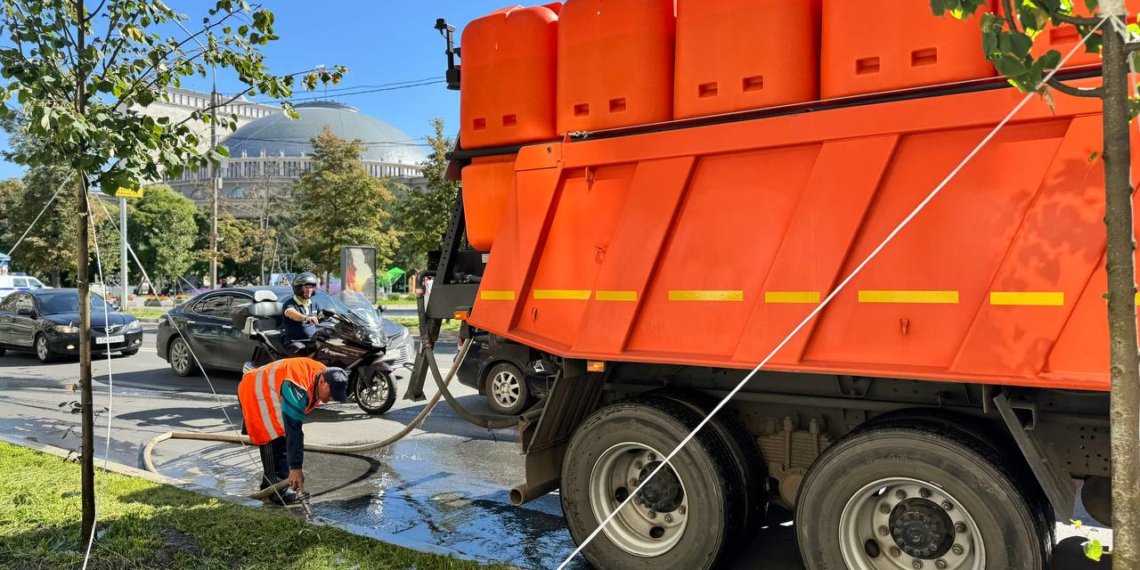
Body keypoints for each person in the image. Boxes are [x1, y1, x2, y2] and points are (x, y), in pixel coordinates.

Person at [237, 357, 349, 505]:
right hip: (256, 391)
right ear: (322, 381)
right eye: (331, 392)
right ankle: (276, 492)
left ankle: (270, 486)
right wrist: (296, 468)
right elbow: (293, 429)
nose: (332, 398)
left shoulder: (325, 374)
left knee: (282, 439)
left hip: (270, 389)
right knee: (273, 437)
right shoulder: (298, 387)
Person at [281, 272, 324, 352]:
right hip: (295, 341)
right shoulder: (289, 304)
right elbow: (292, 313)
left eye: (311, 287)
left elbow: (322, 316)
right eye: (306, 287)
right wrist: (306, 318)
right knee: (302, 351)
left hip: (312, 340)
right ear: (298, 288)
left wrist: (333, 316)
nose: (309, 290)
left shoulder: (314, 303)